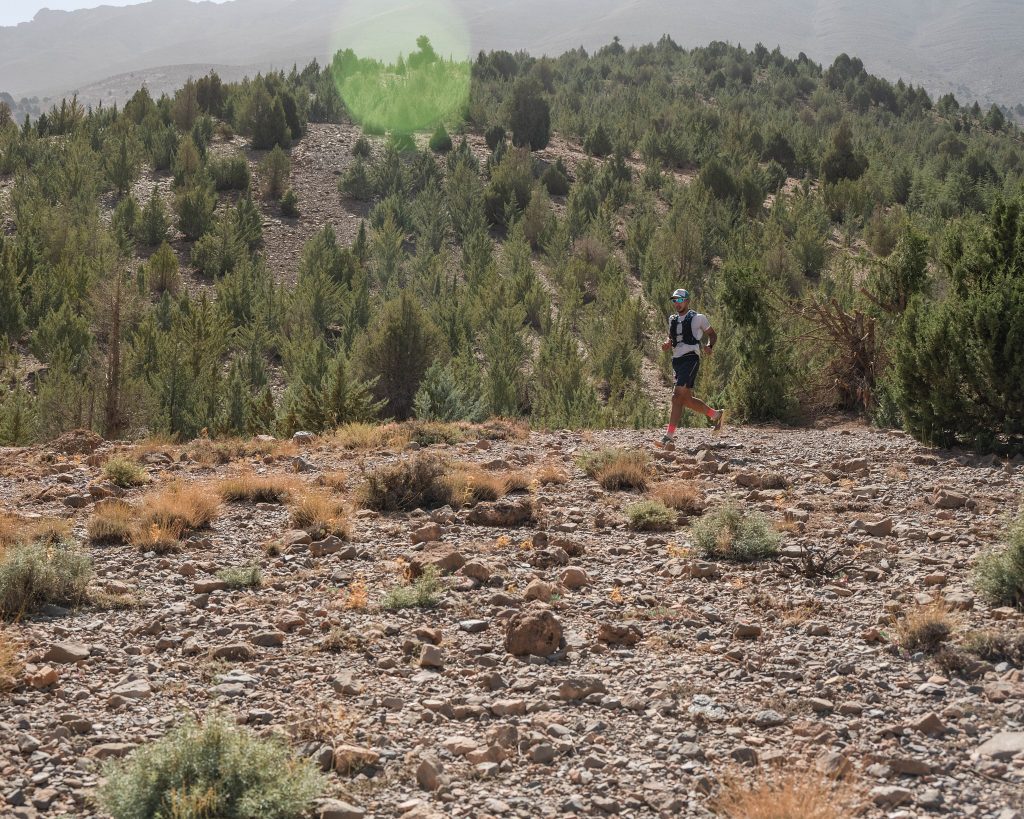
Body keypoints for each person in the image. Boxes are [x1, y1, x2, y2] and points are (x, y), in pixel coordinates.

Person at [659, 288, 723, 447]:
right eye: (675, 300)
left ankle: (668, 437)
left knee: (676, 396)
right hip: (676, 361)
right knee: (685, 399)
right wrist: (667, 343)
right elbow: (671, 336)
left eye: (680, 300)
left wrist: (709, 346)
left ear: (687, 301)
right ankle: (716, 415)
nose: (677, 303)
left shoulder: (698, 318)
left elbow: (712, 334)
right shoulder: (672, 319)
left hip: (691, 358)